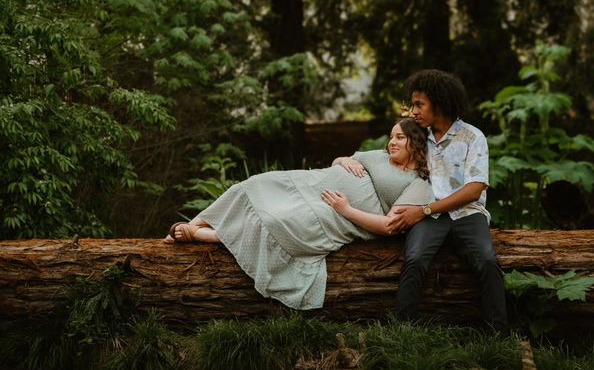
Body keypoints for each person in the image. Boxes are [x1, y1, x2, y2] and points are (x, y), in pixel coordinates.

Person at [164, 119, 433, 310]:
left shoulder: (419, 183)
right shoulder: (379, 155)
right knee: (254, 184)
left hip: (337, 215)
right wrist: (344, 160)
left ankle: (205, 236)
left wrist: (346, 209)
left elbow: (390, 226)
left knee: (276, 223)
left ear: (417, 142)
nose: (392, 141)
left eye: (400, 137)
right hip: (311, 183)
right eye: (392, 135)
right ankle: (195, 221)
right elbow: (340, 160)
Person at [386, 70, 508, 334]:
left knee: (487, 261)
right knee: (415, 259)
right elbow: (387, 156)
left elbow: (474, 189)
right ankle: (401, 334)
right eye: (413, 104)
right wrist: (347, 160)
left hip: (467, 214)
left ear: (439, 103)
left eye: (419, 104)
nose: (413, 111)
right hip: (430, 218)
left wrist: (424, 210)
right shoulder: (418, 137)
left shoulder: (472, 137)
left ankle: (498, 336)